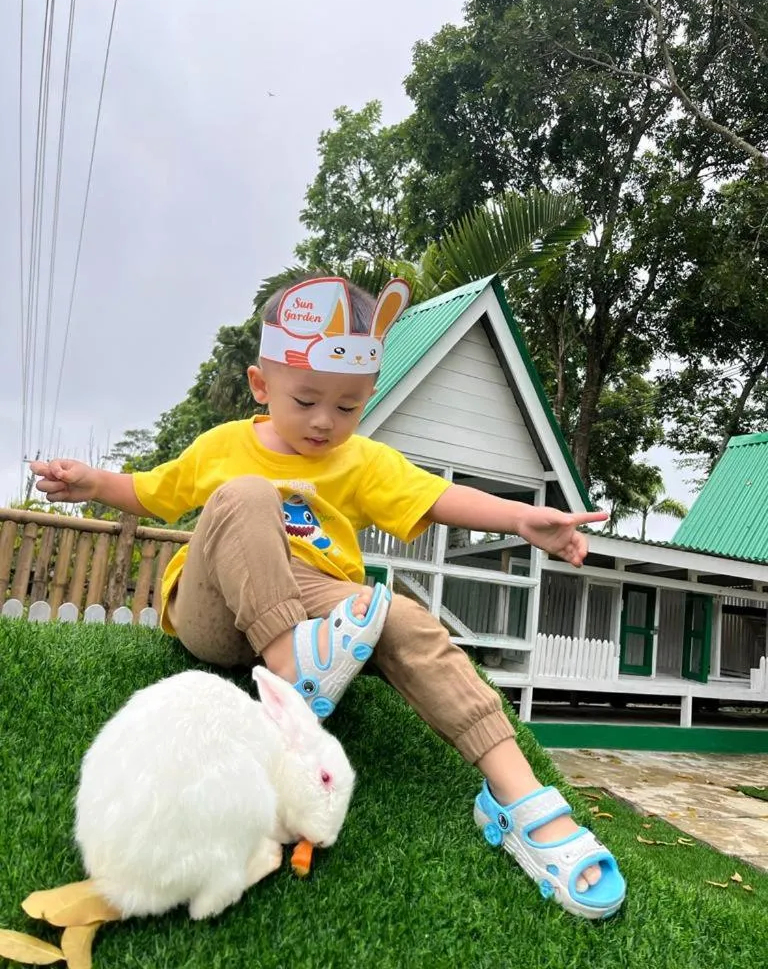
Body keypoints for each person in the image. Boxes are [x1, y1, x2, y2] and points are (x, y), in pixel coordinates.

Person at [32, 276, 625, 919]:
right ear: (262, 386)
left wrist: (519, 518)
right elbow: (153, 492)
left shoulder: (361, 461)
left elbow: (435, 496)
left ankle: (519, 795)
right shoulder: (224, 446)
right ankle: (297, 668)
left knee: (400, 616)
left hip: (318, 597)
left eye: (347, 407)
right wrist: (93, 480)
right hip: (218, 610)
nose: (324, 422)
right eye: (307, 399)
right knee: (246, 494)